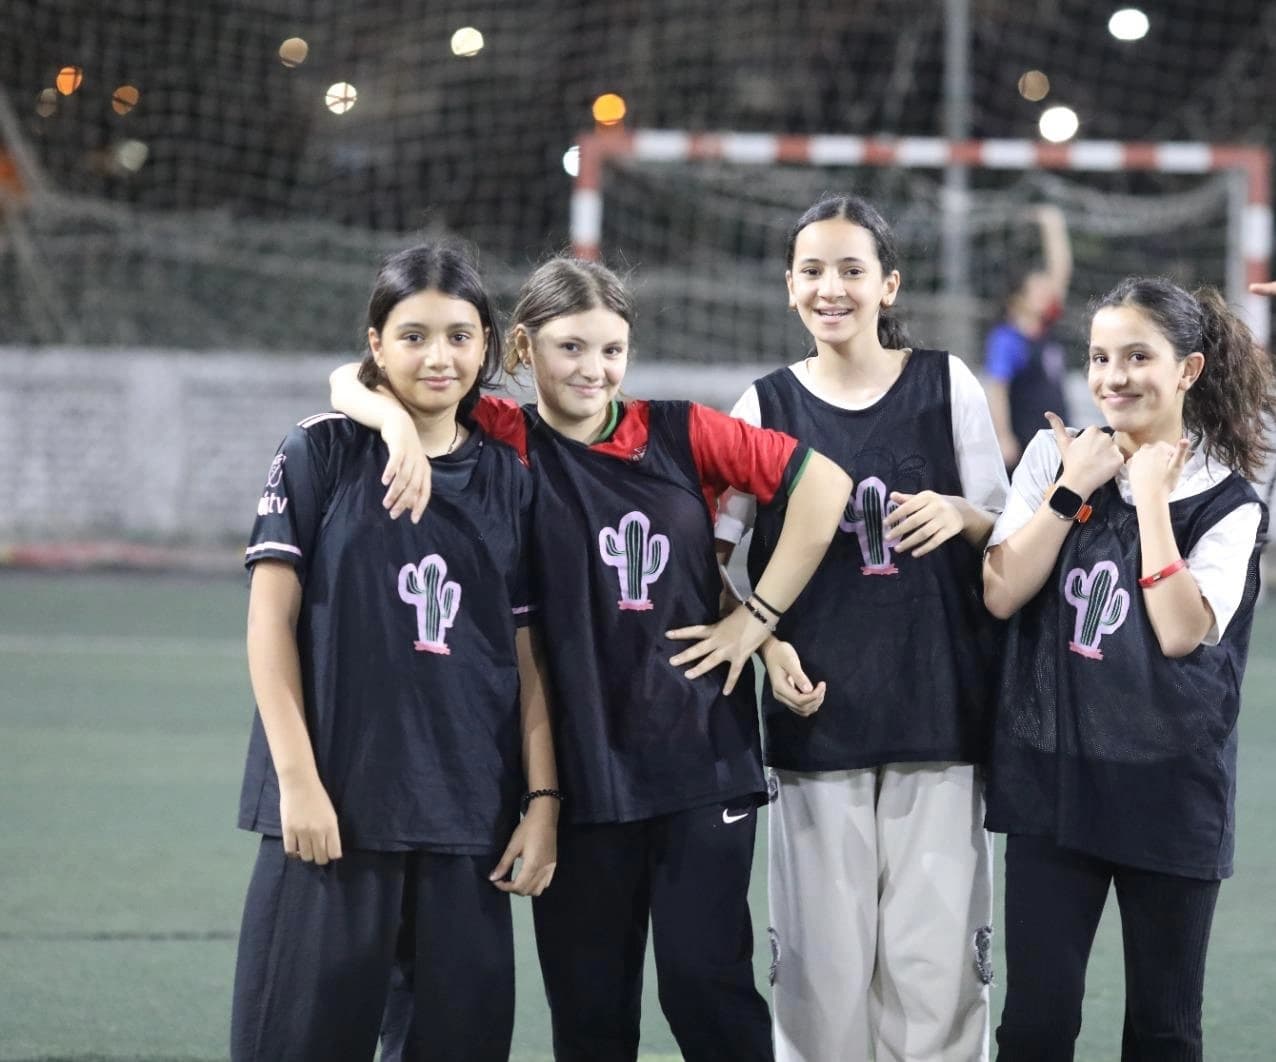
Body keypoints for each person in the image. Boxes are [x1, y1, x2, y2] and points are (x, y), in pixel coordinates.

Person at [329, 255, 853, 1062]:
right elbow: (353, 381)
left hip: (699, 759)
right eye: (571, 348)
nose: (594, 369)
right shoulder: (502, 439)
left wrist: (758, 621)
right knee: (590, 1017)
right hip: (576, 775)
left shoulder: (683, 430)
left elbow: (826, 486)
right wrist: (395, 424)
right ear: (522, 351)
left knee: (705, 989)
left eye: (612, 350)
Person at [230, 243, 558, 1062]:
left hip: (465, 819)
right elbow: (269, 623)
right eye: (412, 336)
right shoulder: (321, 452)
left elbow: (524, 654)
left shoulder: (512, 482)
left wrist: (543, 799)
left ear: (486, 345)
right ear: (375, 345)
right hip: (333, 812)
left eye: (457, 335)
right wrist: (299, 784)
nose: (437, 356)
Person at [714, 193, 1009, 1062]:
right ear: (788, 287)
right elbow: (714, 557)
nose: (831, 287)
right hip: (816, 723)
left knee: (937, 972)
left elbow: (1008, 529)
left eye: (852, 270)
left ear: (889, 285)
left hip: (939, 714)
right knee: (820, 978)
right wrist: (766, 642)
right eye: (813, 270)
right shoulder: (761, 405)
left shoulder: (943, 382)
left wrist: (962, 512)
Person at [983, 276, 1274, 1061]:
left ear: (1187, 370)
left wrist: (1149, 500)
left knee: (1163, 1031)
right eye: (1101, 357)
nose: (1114, 376)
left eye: (1139, 356)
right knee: (1035, 1026)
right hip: (1056, 784)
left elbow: (1181, 632)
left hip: (1171, 794)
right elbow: (1004, 590)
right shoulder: (1057, 455)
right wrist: (1075, 486)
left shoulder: (1231, 502)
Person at [984, 204, 1073, 468]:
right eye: (1038, 289)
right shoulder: (1006, 339)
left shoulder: (1045, 327)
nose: (1047, 292)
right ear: (1018, 299)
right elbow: (997, 389)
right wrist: (1003, 436)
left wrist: (1052, 227)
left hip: (1058, 439)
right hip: (1027, 443)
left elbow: (1060, 273)